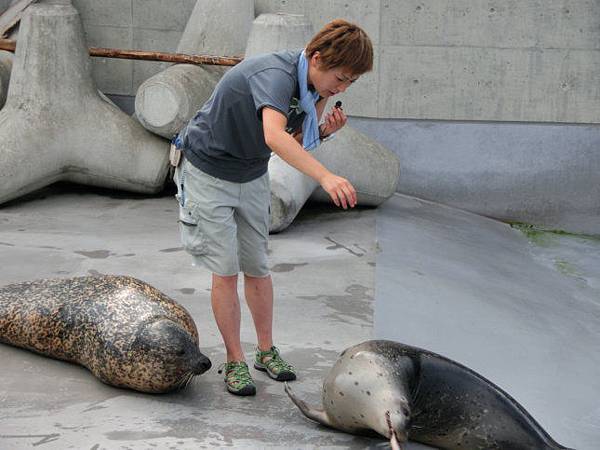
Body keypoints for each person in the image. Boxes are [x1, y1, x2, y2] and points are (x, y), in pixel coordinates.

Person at [174, 19, 373, 396]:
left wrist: (324, 129)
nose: (343, 87)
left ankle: (266, 350)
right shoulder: (276, 74)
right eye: (342, 78)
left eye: (351, 83)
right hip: (207, 172)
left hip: (250, 173)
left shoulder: (312, 86)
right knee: (226, 269)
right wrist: (327, 177)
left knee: (257, 266)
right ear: (317, 58)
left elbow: (294, 137)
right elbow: (273, 135)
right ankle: (235, 360)